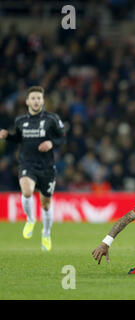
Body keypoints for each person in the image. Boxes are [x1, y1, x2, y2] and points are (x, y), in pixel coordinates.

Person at [0, 86, 65, 251]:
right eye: (33, 98)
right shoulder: (20, 121)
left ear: (42, 101)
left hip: (47, 166)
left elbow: (62, 138)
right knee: (27, 192)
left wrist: (51, 143)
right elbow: (19, 138)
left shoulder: (52, 119)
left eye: (39, 98)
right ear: (27, 101)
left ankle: (46, 232)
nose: (36, 101)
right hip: (27, 163)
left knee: (46, 204)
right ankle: (30, 219)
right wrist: (8, 136)